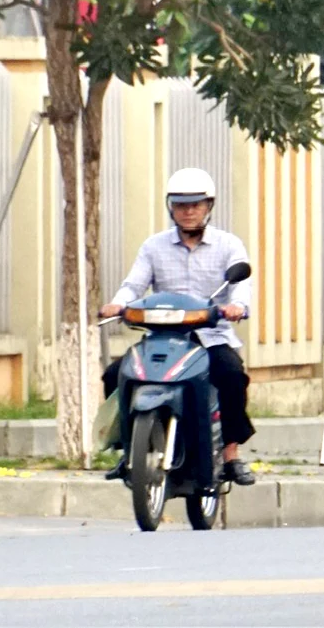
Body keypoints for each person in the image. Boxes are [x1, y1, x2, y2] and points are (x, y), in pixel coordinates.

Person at [99, 167, 257, 486]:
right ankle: (127, 450)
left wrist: (236, 307)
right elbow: (134, 284)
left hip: (210, 337)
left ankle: (230, 456)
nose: (188, 211)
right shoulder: (153, 247)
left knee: (231, 376)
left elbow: (242, 287)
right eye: (181, 204)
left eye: (195, 204)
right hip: (162, 337)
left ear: (208, 206)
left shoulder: (229, 246)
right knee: (115, 376)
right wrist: (118, 304)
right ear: (170, 206)